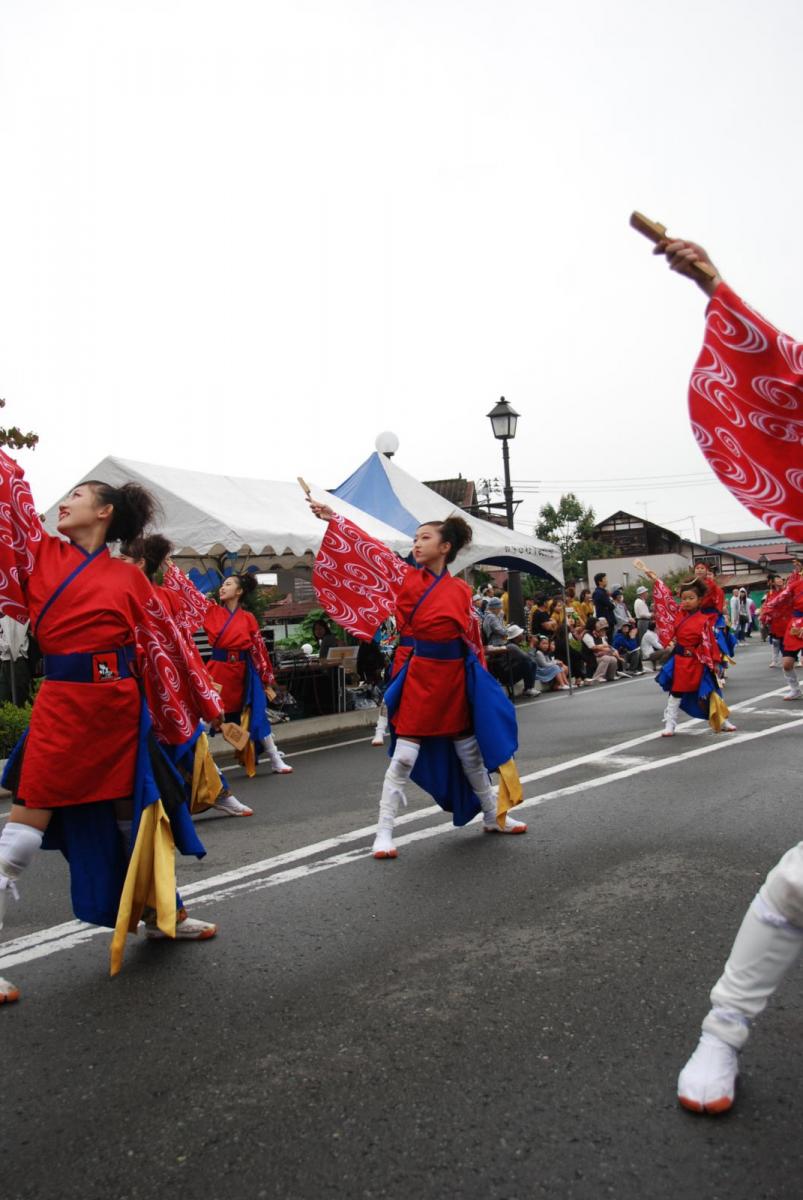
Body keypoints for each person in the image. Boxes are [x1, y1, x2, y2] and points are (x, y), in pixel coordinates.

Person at [645, 234, 803, 1112]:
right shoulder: (704, 603)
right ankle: (722, 1030)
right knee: (795, 881)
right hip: (703, 648)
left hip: (708, 646)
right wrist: (714, 285)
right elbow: (791, 381)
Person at [0, 454, 222, 1005]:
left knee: (140, 825)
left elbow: (162, 646)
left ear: (103, 512)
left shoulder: (129, 578)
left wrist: (195, 705)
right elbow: (11, 495)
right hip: (63, 707)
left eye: (77, 495)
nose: (64, 502)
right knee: (21, 837)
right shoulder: (39, 552)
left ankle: (161, 914)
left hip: (122, 712)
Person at [308, 501, 527, 858]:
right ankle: (383, 832)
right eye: (415, 538)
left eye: (425, 537)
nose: (417, 543)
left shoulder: (460, 591)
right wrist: (336, 519)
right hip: (420, 674)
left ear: (445, 548)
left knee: (469, 752)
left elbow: (471, 640)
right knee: (405, 756)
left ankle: (493, 815)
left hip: (455, 676)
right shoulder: (404, 577)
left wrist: (479, 685)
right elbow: (370, 551)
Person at [118, 535, 253, 818]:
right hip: (131, 682)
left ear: (141, 563)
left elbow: (184, 647)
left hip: (170, 683)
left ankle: (219, 792)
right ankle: (156, 806)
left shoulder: (165, 597)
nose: (118, 564)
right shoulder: (119, 595)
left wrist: (200, 688)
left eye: (124, 559)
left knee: (188, 741)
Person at [164, 568, 293, 777]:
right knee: (208, 715)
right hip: (218, 671)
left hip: (244, 672)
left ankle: (275, 759)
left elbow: (257, 647)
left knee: (257, 713)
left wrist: (265, 676)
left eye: (229, 584)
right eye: (223, 585)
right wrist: (172, 570)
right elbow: (188, 593)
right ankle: (193, 762)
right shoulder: (210, 610)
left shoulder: (248, 617)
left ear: (239, 591)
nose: (223, 588)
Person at [635, 565, 735, 738]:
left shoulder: (705, 620)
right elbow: (666, 600)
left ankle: (722, 720)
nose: (687, 601)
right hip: (681, 659)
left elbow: (710, 643)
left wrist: (716, 661)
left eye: (691, 598)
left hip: (699, 660)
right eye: (684, 598)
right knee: (676, 692)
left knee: (710, 691)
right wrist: (656, 581)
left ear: (699, 599)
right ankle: (670, 723)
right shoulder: (677, 613)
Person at [0, 614, 31, 705]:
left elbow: (9, 646)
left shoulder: (15, 617)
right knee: (3, 701)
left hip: (18, 662)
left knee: (19, 700)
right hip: (5, 662)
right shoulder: (3, 620)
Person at [582, 616, 623, 683]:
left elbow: (607, 645)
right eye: (597, 623)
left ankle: (610, 676)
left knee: (613, 659)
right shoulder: (587, 634)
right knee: (606, 658)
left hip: (600, 654)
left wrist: (611, 650)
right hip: (591, 656)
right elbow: (592, 647)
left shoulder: (598, 633)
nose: (599, 624)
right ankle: (597, 677)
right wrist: (604, 647)